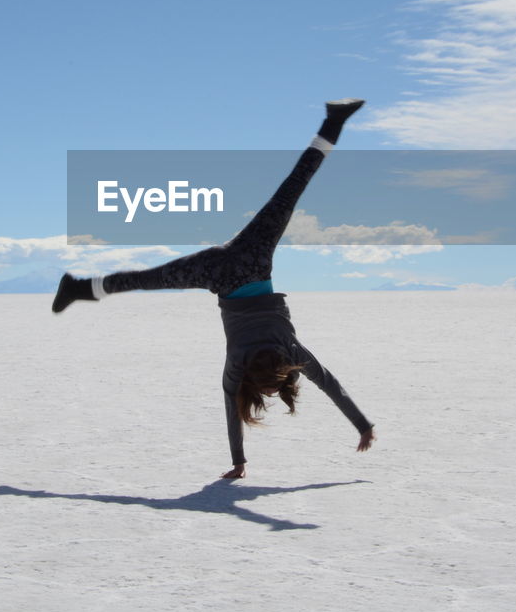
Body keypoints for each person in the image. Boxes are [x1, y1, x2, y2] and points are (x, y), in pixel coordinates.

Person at [53, 99, 376, 479]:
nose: (272, 396)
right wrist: (239, 459)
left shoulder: (290, 352)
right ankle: (77, 288)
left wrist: (362, 424)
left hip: (253, 258)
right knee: (145, 279)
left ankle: (333, 121)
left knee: (293, 187)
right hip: (216, 273)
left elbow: (329, 383)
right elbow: (235, 405)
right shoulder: (240, 363)